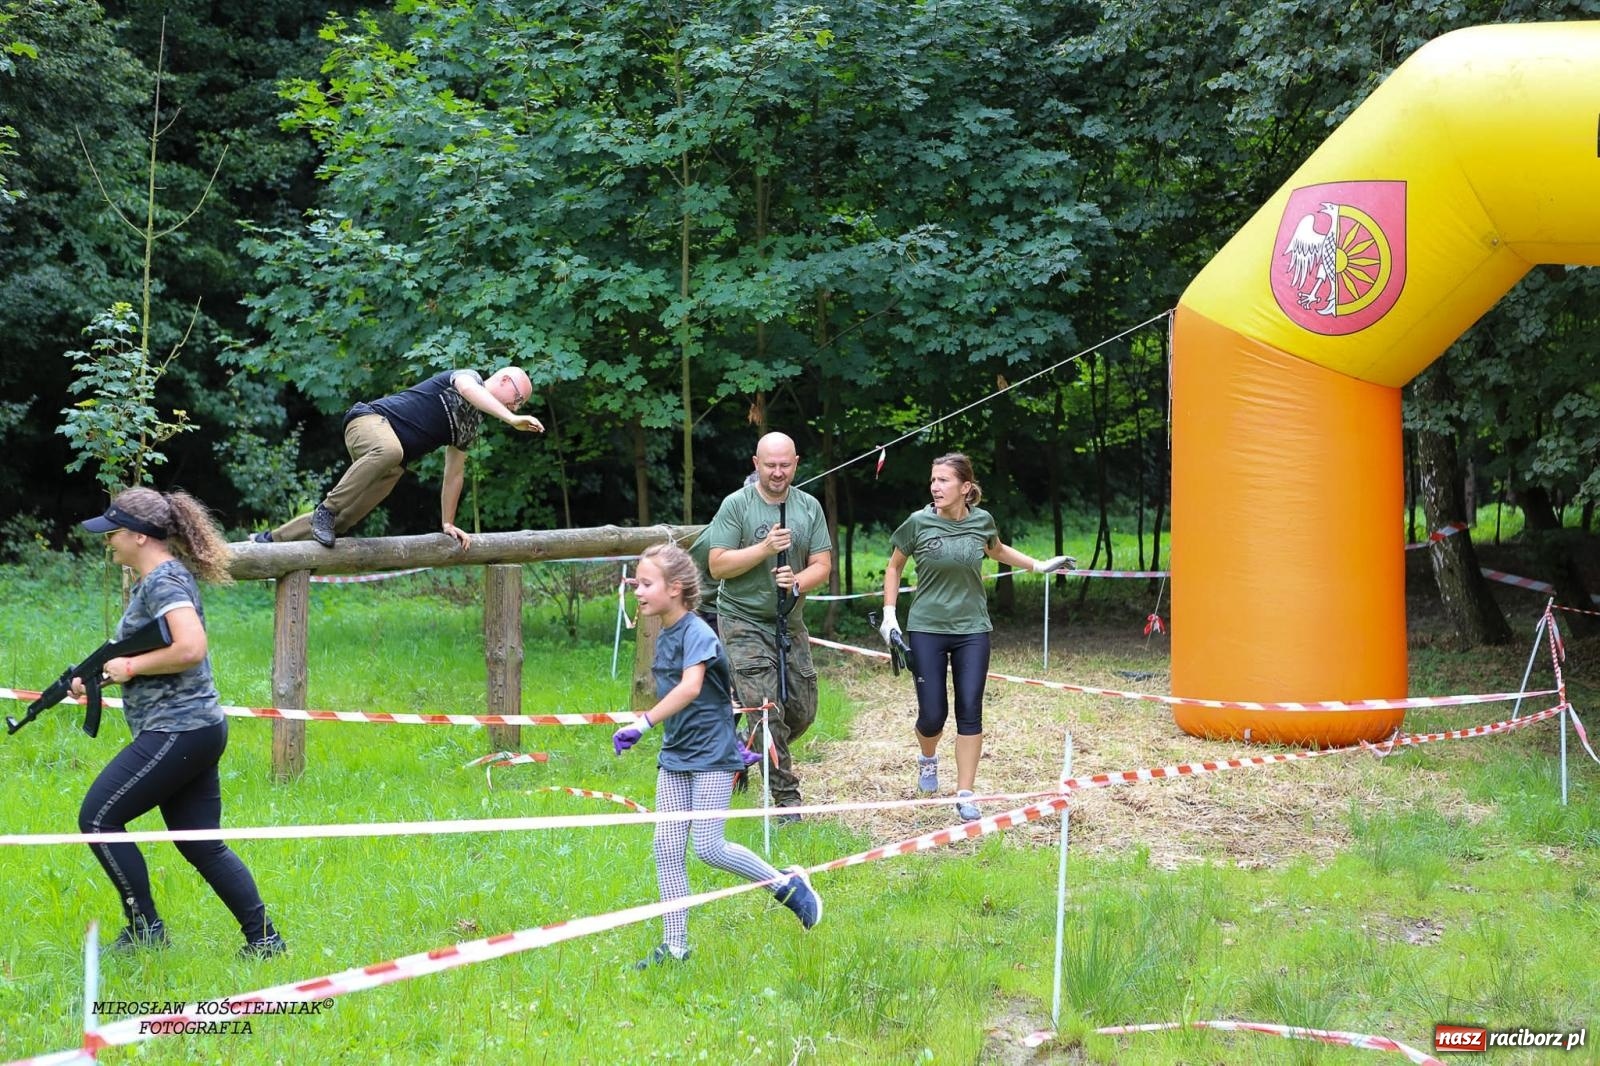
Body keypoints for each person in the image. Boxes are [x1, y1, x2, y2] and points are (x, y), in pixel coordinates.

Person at [76, 487, 285, 957]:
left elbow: (190, 647)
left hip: (178, 729)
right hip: (195, 727)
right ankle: (265, 942)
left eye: (114, 532)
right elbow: (153, 651)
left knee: (98, 817)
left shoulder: (164, 583)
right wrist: (98, 678)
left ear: (139, 536)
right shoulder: (162, 580)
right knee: (201, 844)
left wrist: (128, 668)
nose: (108, 540)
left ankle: (146, 929)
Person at [611, 543, 821, 969]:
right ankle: (675, 947)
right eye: (637, 582)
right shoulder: (664, 633)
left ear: (675, 589)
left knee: (708, 846)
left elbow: (690, 687)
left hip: (711, 756)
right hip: (676, 755)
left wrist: (643, 723)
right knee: (667, 847)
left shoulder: (699, 633)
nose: (637, 591)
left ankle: (787, 884)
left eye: (646, 583)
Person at [878, 454, 1068, 823]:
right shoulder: (917, 523)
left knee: (970, 709)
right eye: (933, 480)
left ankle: (966, 793)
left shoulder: (982, 522)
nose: (935, 487)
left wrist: (1039, 565)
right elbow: (894, 565)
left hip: (972, 629)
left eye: (944, 481)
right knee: (932, 715)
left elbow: (996, 550)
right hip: (926, 627)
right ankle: (928, 759)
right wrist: (889, 615)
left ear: (965, 488)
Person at [255, 366, 543, 549]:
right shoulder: (469, 376)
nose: (514, 404)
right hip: (367, 422)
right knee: (390, 452)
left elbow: (454, 473)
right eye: (517, 398)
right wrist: (511, 418)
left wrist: (447, 523)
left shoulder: (470, 427)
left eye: (519, 404)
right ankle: (326, 509)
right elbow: (469, 390)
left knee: (345, 520)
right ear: (505, 379)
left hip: (391, 463)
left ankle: (268, 541)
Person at [705, 432, 833, 821]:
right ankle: (786, 800)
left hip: (789, 622)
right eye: (770, 465)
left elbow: (823, 566)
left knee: (802, 710)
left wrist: (797, 581)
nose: (778, 472)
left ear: (796, 462)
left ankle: (746, 746)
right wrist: (764, 549)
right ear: (755, 464)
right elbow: (717, 565)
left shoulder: (809, 507)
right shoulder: (736, 506)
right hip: (742, 620)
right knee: (766, 711)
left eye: (785, 465)